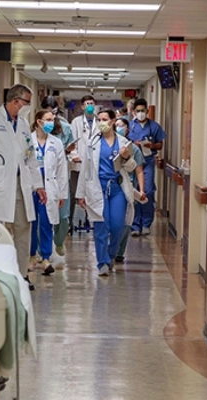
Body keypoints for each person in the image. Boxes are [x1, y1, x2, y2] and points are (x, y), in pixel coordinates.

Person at [0, 84, 47, 291]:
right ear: (15, 101)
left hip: (20, 185)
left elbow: (30, 157)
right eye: (26, 103)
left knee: (23, 229)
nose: (27, 107)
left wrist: (38, 185)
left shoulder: (23, 124)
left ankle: (22, 274)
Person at [76, 109, 136, 277]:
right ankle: (102, 262)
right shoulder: (93, 142)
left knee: (118, 226)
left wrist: (125, 157)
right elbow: (85, 169)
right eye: (99, 119)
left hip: (117, 188)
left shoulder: (123, 143)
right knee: (101, 226)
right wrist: (81, 194)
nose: (101, 122)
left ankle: (110, 255)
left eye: (105, 119)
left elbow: (131, 167)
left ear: (113, 121)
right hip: (97, 187)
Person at [28, 110, 68, 275]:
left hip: (50, 187)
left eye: (53, 119)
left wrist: (62, 195)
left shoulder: (56, 143)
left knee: (46, 223)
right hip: (30, 187)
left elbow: (62, 171)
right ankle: (31, 256)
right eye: (48, 120)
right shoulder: (27, 140)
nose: (52, 123)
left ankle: (45, 257)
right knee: (31, 223)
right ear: (39, 122)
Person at [40, 96, 74, 256]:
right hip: (41, 179)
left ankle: (59, 241)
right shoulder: (34, 132)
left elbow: (72, 150)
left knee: (63, 217)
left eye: (51, 112)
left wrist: (69, 151)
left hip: (59, 178)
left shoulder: (65, 128)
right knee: (42, 217)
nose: (49, 117)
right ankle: (42, 251)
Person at [127, 98, 166, 236]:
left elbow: (160, 145)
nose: (141, 113)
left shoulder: (154, 126)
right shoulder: (130, 126)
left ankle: (146, 223)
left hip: (148, 161)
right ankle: (135, 224)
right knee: (135, 192)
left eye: (143, 111)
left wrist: (152, 145)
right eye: (138, 111)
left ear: (147, 111)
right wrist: (134, 145)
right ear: (133, 112)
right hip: (133, 162)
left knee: (147, 191)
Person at [114, 117, 146, 263]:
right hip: (111, 186)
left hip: (128, 187)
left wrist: (142, 189)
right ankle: (111, 249)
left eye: (122, 126)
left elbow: (139, 171)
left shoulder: (134, 149)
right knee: (112, 222)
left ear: (127, 129)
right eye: (116, 125)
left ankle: (119, 252)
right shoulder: (109, 146)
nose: (119, 128)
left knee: (126, 222)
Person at [69, 95, 100, 234]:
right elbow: (72, 141)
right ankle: (69, 223)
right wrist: (74, 155)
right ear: (82, 106)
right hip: (78, 165)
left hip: (94, 165)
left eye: (92, 103)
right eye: (87, 103)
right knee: (73, 193)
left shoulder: (100, 121)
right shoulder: (76, 122)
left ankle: (93, 221)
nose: (90, 106)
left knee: (93, 194)